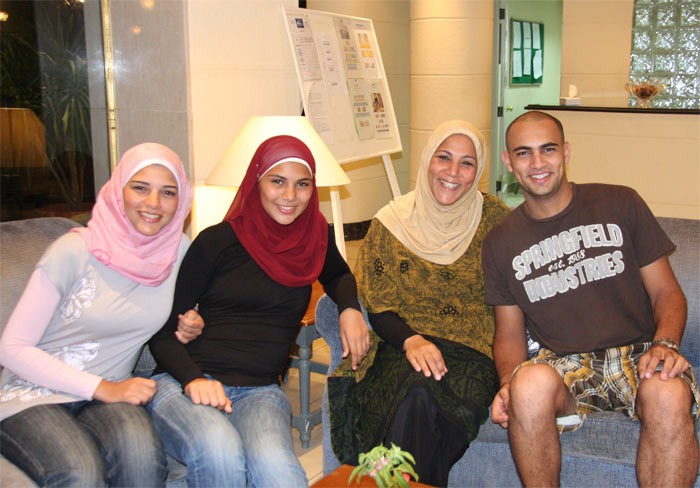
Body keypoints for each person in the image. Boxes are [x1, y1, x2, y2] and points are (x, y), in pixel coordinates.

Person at [482, 110, 700, 487]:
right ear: (508, 162)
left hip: (638, 354)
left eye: (548, 149)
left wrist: (665, 343)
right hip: (563, 364)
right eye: (523, 153)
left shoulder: (620, 203)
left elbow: (666, 291)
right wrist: (507, 382)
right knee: (526, 386)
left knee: (667, 393)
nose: (537, 163)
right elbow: (509, 334)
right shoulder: (501, 242)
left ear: (566, 152)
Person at [146, 135, 370, 488]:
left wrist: (350, 309)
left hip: (259, 391)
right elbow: (162, 334)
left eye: (302, 184)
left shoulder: (313, 238)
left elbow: (339, 276)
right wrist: (194, 379)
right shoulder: (216, 241)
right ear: (256, 181)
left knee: (281, 478)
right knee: (220, 453)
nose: (290, 195)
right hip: (185, 381)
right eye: (277, 181)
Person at [0, 143, 202, 486]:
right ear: (118, 189)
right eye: (140, 188)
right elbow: (11, 348)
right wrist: (101, 387)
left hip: (113, 391)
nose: (153, 203)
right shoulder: (73, 250)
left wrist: (190, 323)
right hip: (35, 393)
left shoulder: (178, 251)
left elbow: (181, 313)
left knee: (144, 463)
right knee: (80, 472)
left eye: (168, 192)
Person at [328, 120, 510, 487]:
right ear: (427, 159)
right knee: (415, 395)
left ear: (479, 171)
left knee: (436, 409)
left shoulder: (496, 220)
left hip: (473, 353)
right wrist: (412, 341)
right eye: (444, 157)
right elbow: (379, 305)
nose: (453, 172)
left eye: (467, 163)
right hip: (402, 345)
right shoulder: (391, 223)